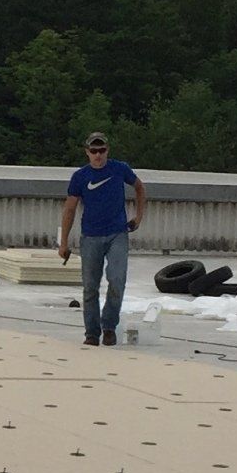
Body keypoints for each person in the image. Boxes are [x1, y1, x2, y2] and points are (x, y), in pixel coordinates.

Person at [58, 131, 146, 346]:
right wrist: (63, 241)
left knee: (117, 279)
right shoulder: (80, 176)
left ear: (108, 151)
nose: (98, 155)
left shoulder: (119, 169)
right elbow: (70, 209)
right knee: (90, 286)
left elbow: (140, 187)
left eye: (102, 150)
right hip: (90, 236)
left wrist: (139, 216)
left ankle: (109, 326)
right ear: (87, 152)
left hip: (117, 233)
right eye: (94, 151)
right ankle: (91, 332)